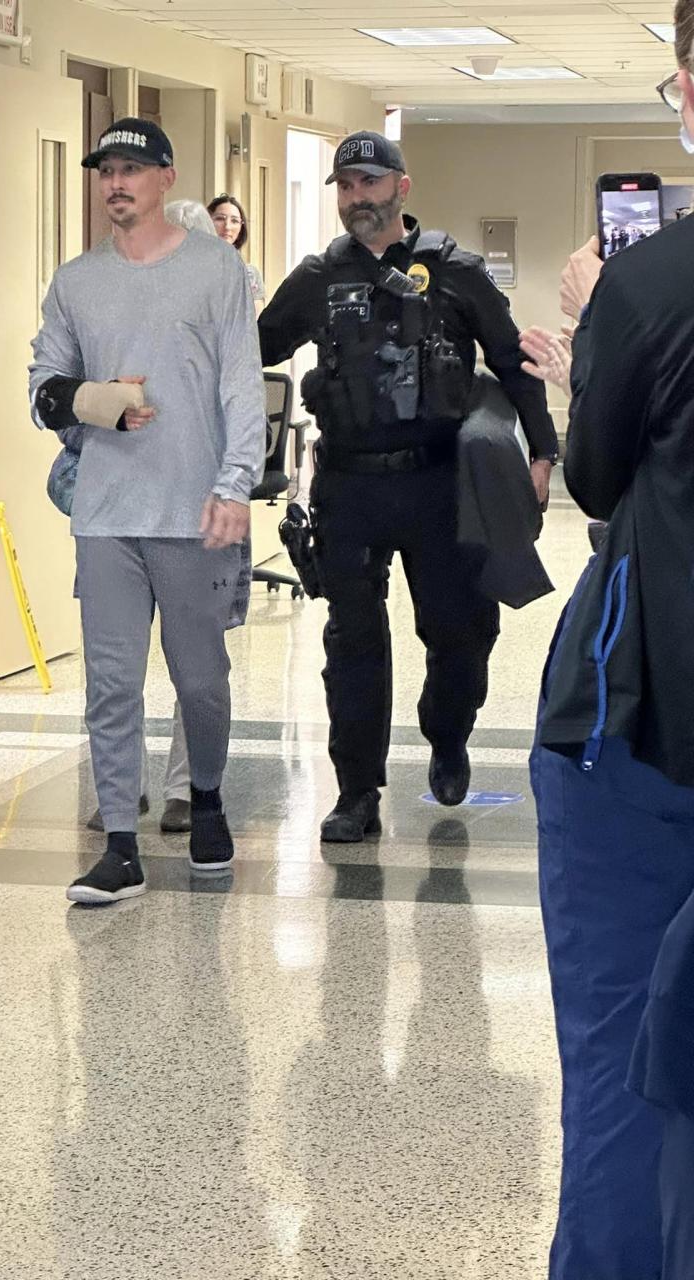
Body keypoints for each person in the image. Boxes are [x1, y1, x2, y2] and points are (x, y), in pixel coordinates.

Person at [258, 130, 558, 843]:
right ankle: (356, 790)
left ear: (401, 187)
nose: (357, 198)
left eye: (368, 183)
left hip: (438, 482)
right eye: (345, 186)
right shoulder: (317, 278)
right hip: (350, 486)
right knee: (352, 643)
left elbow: (513, 364)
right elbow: (253, 348)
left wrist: (543, 453)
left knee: (460, 633)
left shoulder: (453, 271)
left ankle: (448, 733)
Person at [526, 5, 694, 1271]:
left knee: (630, 1063)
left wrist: (593, 333)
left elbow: (595, 472)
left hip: (646, 731)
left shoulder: (652, 281)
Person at [30, 118, 265, 904]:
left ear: (167, 179)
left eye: (131, 169)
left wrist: (237, 486)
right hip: (105, 514)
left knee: (199, 679)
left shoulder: (216, 270)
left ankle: (205, 802)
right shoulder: (75, 281)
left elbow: (241, 383)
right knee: (111, 682)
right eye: (105, 171)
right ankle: (121, 848)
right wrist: (93, 402)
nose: (115, 184)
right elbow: (45, 390)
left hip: (195, 510)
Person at [207, 194, 267, 312]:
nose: (227, 226)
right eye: (220, 218)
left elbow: (254, 318)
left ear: (241, 227)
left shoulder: (251, 274)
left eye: (234, 221)